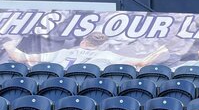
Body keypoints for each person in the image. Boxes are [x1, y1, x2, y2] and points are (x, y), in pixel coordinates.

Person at [2, 32, 168, 69]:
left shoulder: (63, 53)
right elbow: (143, 62)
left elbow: (21, 57)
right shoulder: (107, 55)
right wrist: (161, 50)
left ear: (83, 42)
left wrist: (9, 45)